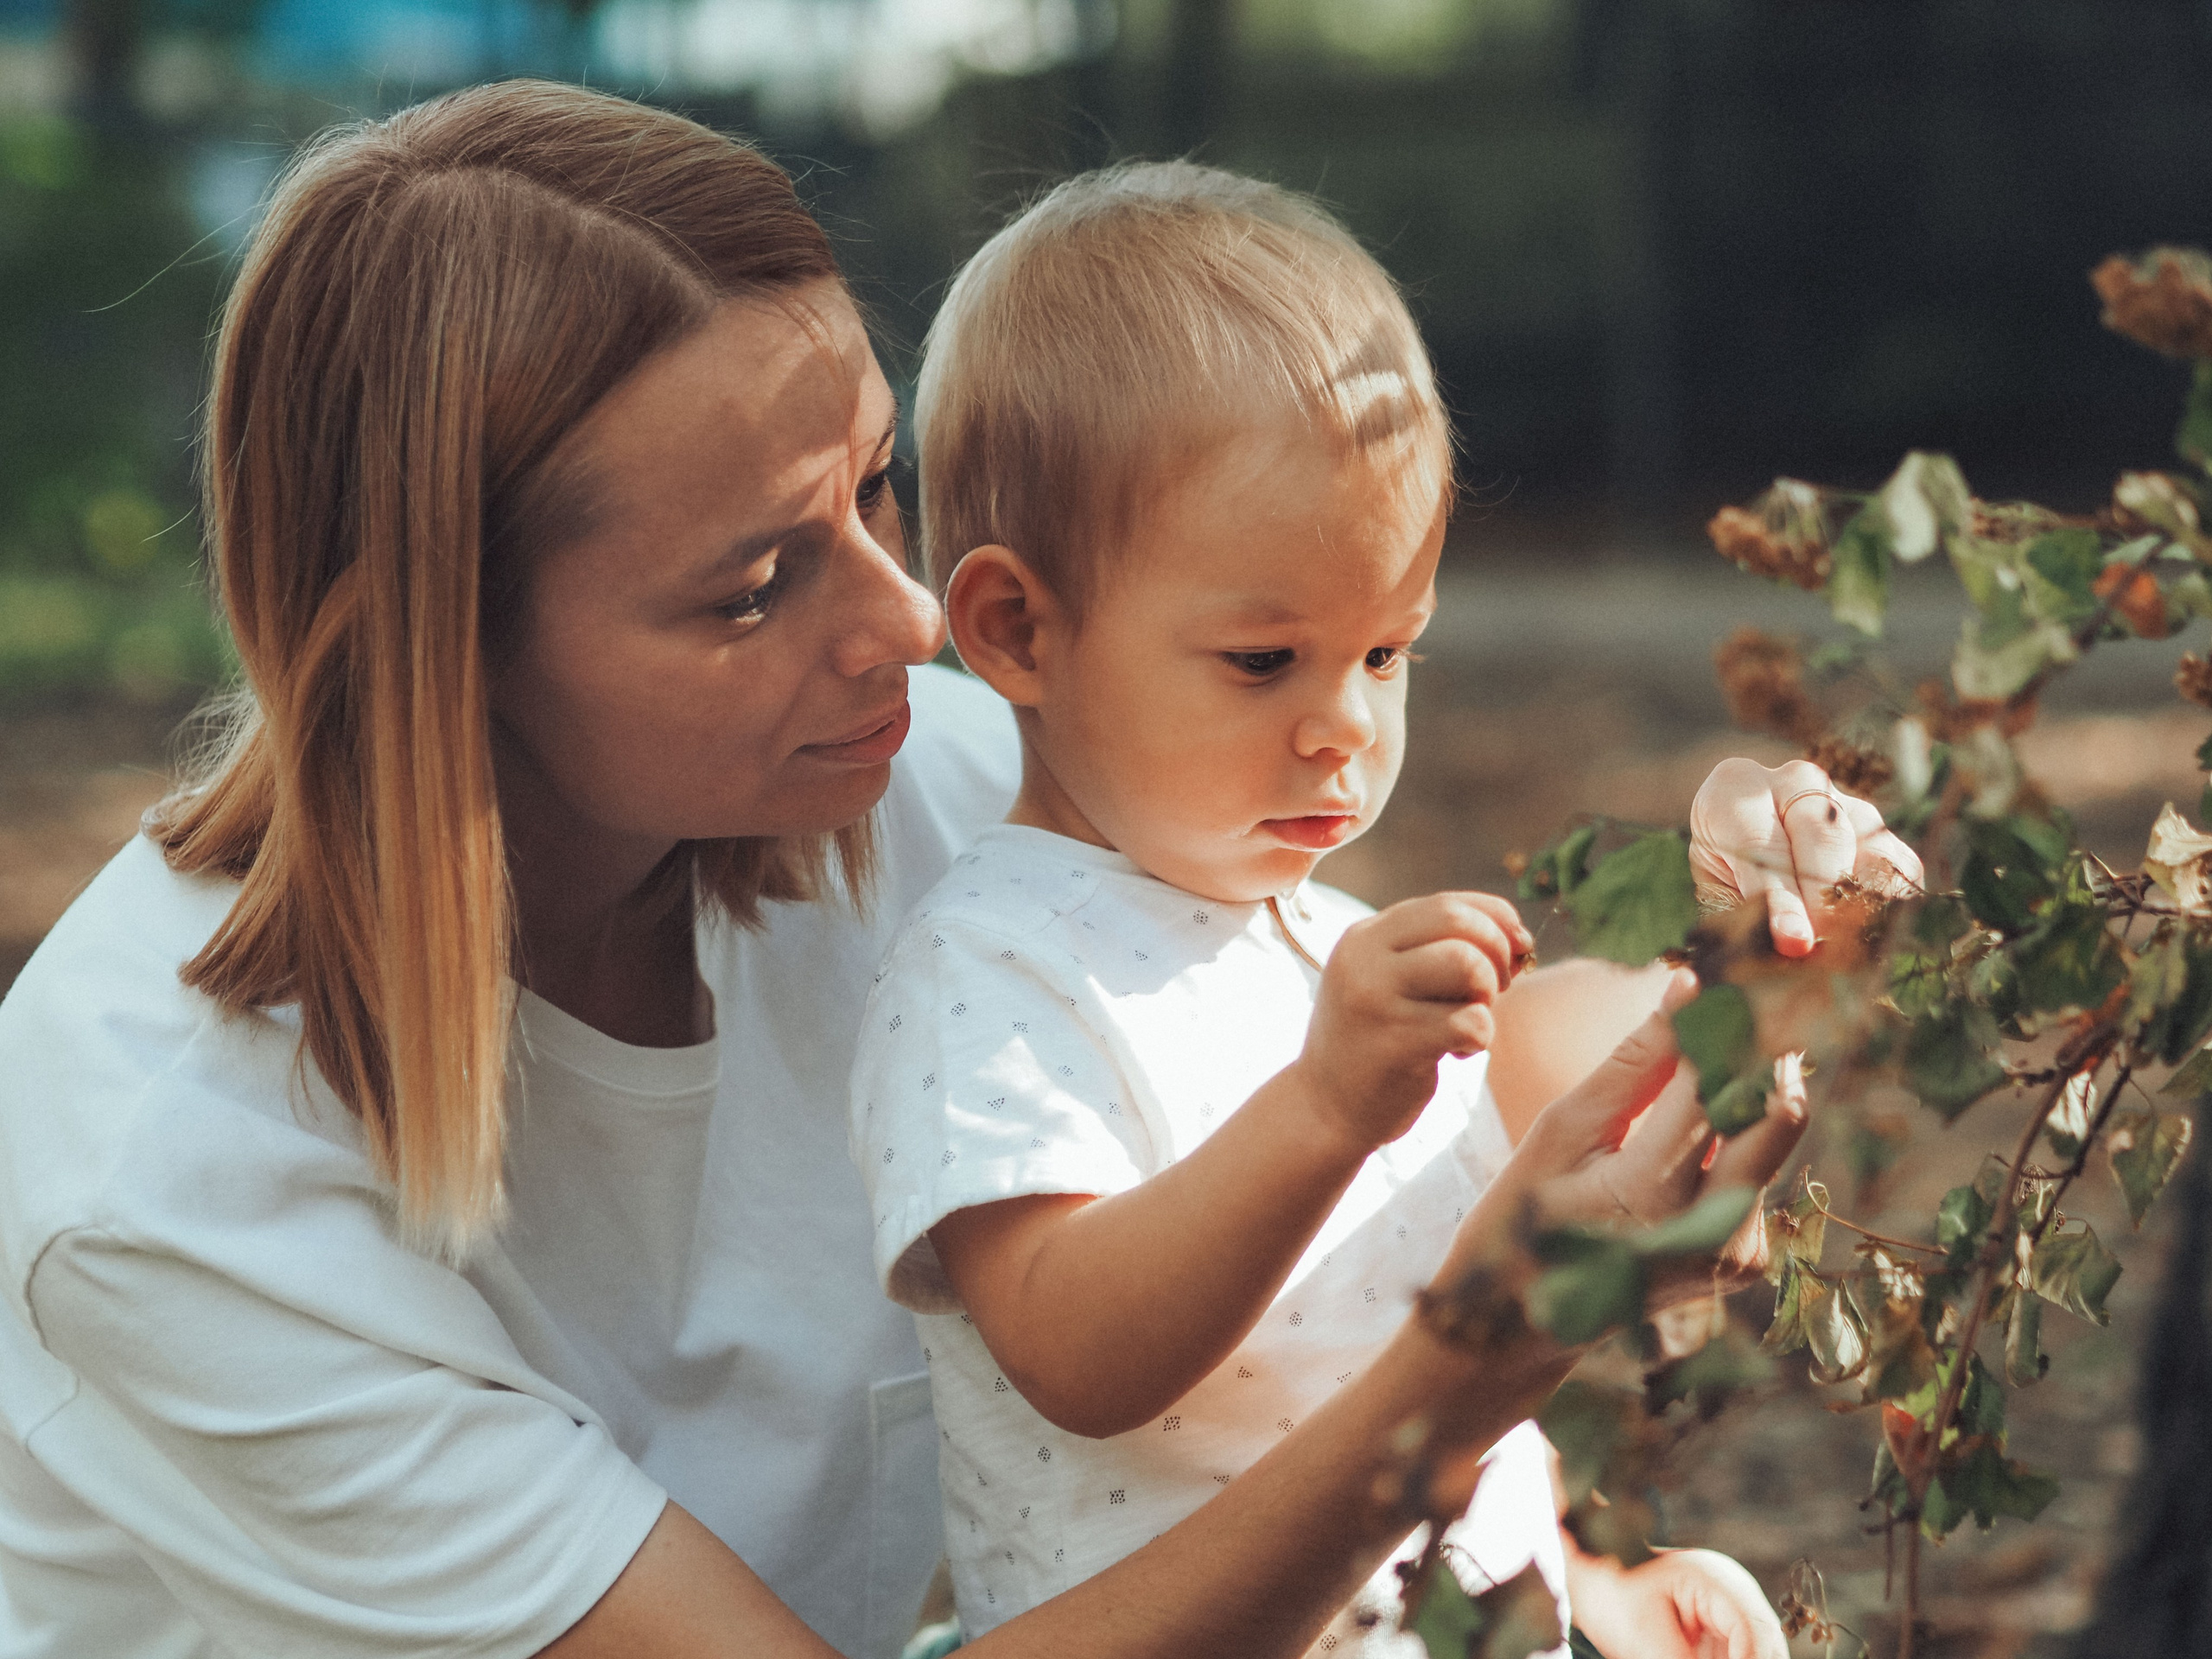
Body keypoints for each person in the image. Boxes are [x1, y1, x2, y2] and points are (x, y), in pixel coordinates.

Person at [0, 80, 1912, 1659]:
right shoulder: (170, 1181)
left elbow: (1396, 1111)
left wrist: (1728, 967)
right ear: (447, 653)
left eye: (873, 487)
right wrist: (1468, 1373)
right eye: (758, 583)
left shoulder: (932, 786)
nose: (913, 622)